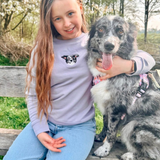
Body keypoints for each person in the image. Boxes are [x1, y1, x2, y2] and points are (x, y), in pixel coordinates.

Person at [4, 0, 155, 160]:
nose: (67, 23)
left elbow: (148, 59)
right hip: (44, 123)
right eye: (57, 18)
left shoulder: (94, 45)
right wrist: (40, 131)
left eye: (70, 13)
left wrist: (127, 66)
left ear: (80, 9)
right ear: (49, 21)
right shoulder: (42, 49)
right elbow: (34, 95)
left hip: (78, 128)